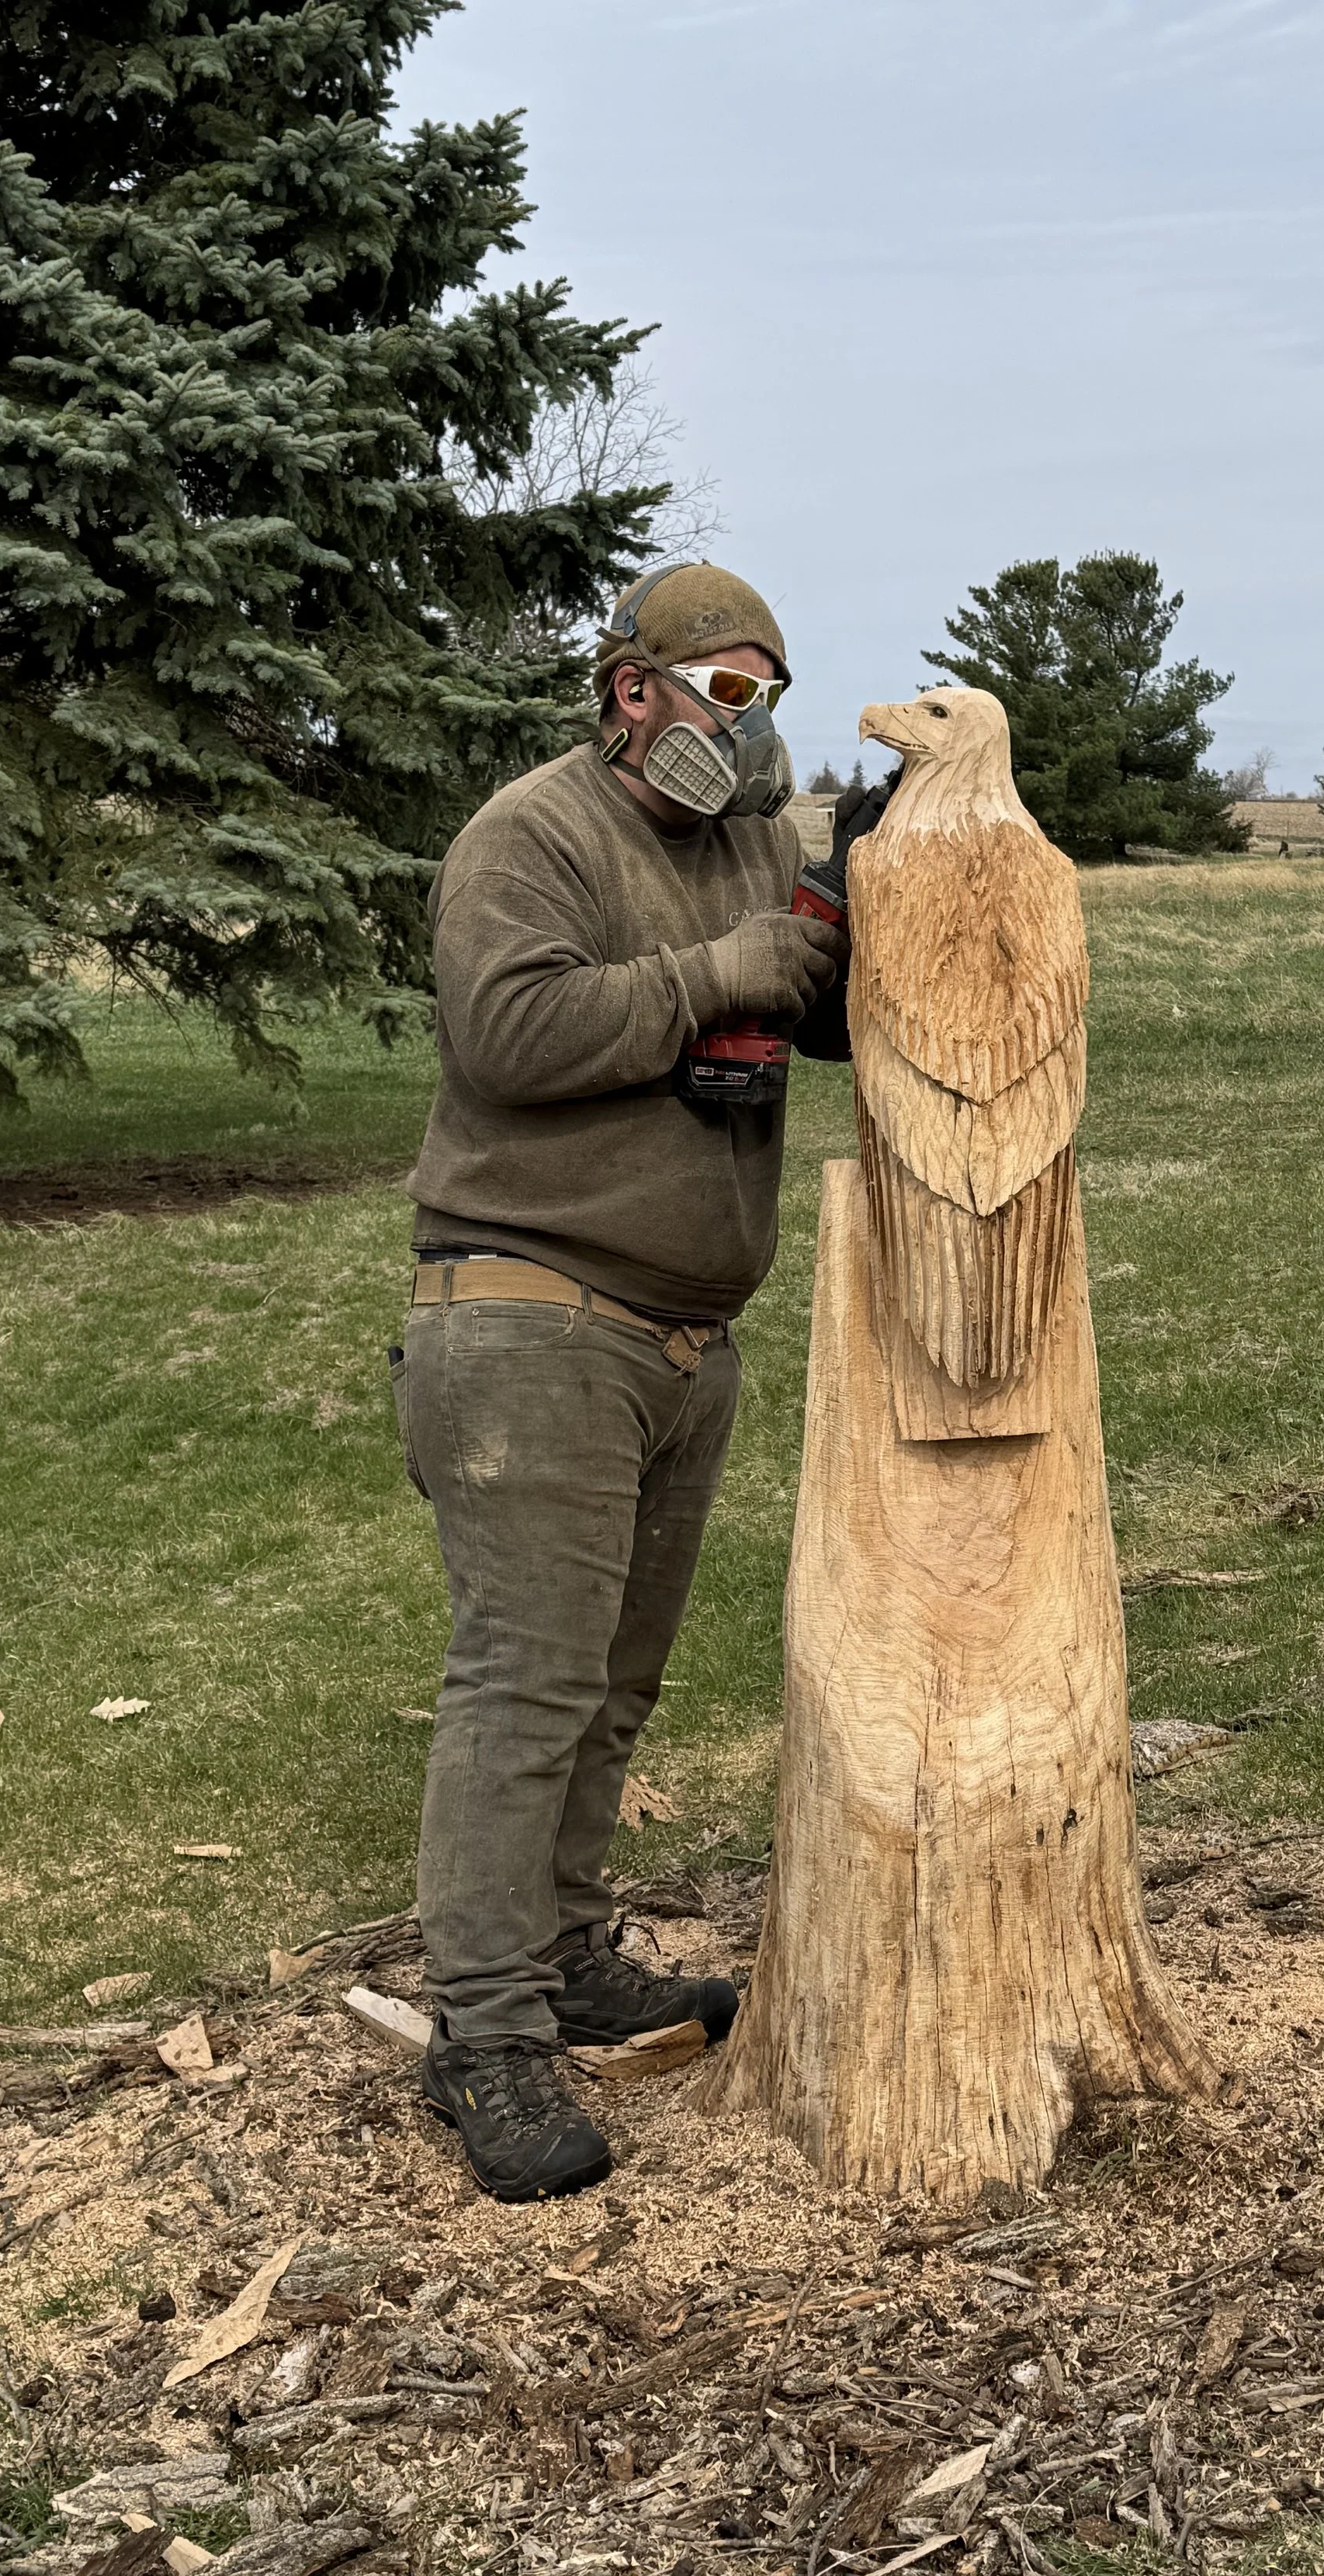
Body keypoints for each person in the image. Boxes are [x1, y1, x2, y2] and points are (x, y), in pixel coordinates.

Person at [393, 562, 882, 2202]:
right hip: (532, 1318)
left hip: (680, 1337)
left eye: (770, 700)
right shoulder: (527, 836)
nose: (752, 734)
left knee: (611, 1685)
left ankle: (568, 1958)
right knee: (525, 1685)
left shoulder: (750, 843)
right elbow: (507, 1036)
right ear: (634, 693)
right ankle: (483, 2037)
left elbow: (801, 1006)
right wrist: (714, 974)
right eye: (728, 698)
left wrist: (865, 903)